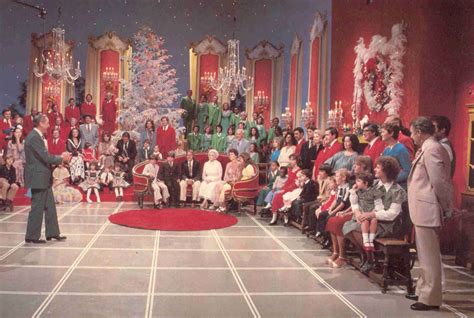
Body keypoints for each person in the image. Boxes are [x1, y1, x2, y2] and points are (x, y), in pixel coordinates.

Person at [406, 116, 453, 311]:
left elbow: (439, 181)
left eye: (411, 132)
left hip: (428, 208)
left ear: (419, 131)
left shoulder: (432, 148)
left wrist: (446, 206)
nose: (411, 136)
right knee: (424, 254)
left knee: (429, 256)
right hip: (422, 208)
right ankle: (423, 290)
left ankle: (431, 298)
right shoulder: (428, 148)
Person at [343, 157, 407, 274]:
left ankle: (371, 258)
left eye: (378, 167)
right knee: (349, 226)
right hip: (370, 219)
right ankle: (366, 255)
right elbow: (357, 200)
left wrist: (372, 214)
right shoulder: (373, 184)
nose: (375, 169)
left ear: (386, 171)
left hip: (389, 224)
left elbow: (392, 214)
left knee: (356, 228)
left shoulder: (398, 191)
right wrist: (357, 212)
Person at [24, 113, 71, 243]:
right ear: (41, 123)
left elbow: (45, 156)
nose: (49, 125)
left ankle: (52, 232)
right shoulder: (34, 137)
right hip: (38, 177)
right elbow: (45, 157)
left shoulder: (38, 136)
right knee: (37, 207)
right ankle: (32, 236)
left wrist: (60, 157)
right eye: (47, 123)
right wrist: (62, 158)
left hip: (43, 177)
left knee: (50, 205)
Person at [317, 168, 351, 255]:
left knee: (329, 218)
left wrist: (333, 212)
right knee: (324, 215)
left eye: (337, 176)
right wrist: (331, 209)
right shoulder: (339, 188)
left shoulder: (347, 188)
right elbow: (336, 200)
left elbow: (342, 204)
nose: (335, 178)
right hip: (336, 208)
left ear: (343, 178)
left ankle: (330, 241)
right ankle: (326, 237)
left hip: (343, 209)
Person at [350, 172, 384, 251]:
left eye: (358, 181)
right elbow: (354, 202)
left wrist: (373, 212)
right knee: (364, 221)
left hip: (371, 212)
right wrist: (353, 192)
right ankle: (366, 241)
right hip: (361, 212)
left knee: (374, 220)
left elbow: (378, 204)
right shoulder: (357, 191)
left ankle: (371, 240)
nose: (356, 183)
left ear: (366, 183)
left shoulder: (374, 191)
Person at [270, 154, 301, 225]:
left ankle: (285, 218)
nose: (290, 161)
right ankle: (274, 218)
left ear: (296, 161)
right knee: (277, 195)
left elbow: (295, 184)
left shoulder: (299, 171)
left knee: (282, 196)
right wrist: (283, 188)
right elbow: (288, 181)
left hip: (294, 189)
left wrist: (286, 189)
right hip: (287, 186)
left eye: (292, 159)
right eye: (290, 159)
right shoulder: (289, 169)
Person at [380, 122, 412, 187]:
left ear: (391, 133)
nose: (381, 134)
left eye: (383, 132)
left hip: (398, 186)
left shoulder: (401, 149)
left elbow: (407, 171)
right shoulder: (386, 150)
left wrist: (391, 180)